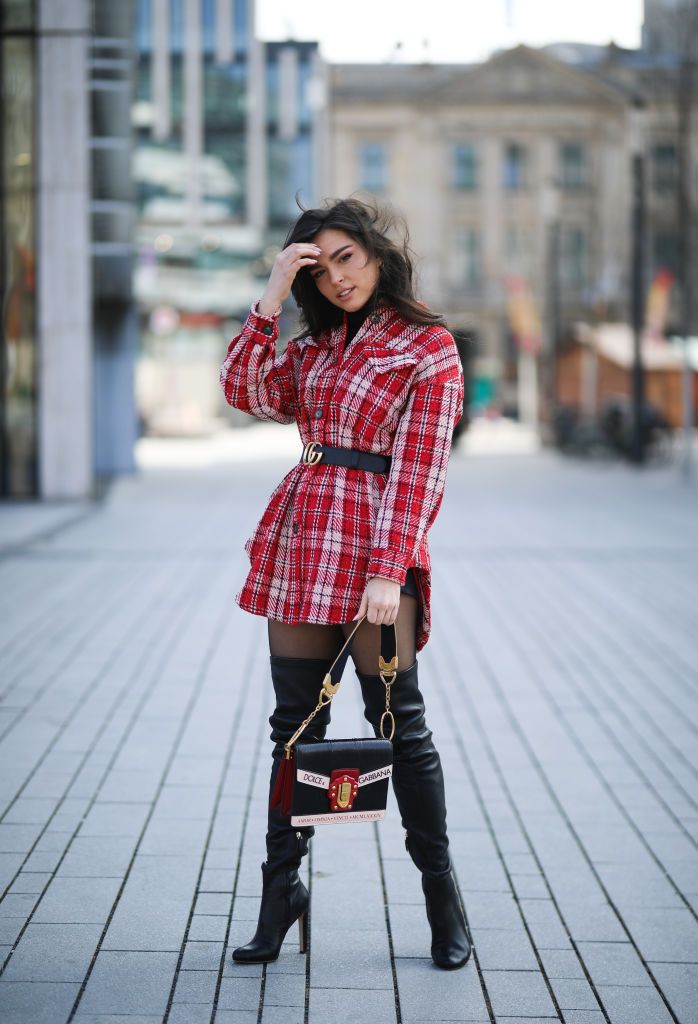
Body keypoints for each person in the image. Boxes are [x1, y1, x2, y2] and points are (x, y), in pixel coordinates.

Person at [219, 197, 470, 970]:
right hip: (305, 539)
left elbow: (422, 470)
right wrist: (268, 297)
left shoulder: (427, 347)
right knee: (293, 729)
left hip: (375, 547)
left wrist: (389, 570)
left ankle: (441, 896)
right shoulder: (315, 344)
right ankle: (280, 893)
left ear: (376, 253)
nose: (334, 280)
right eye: (317, 270)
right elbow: (246, 392)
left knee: (402, 726)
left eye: (345, 260)